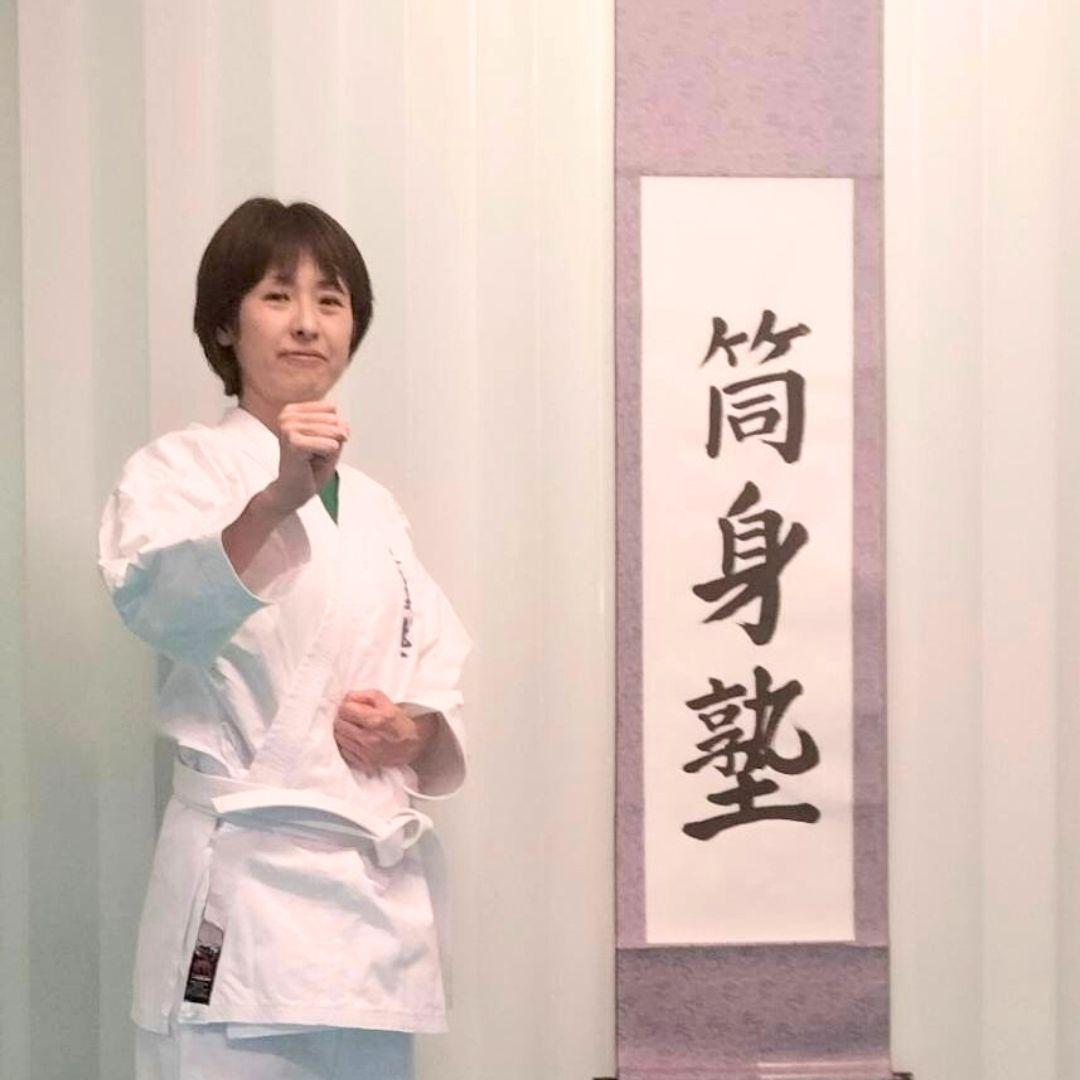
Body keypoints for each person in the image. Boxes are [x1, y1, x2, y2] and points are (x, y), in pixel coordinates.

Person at [97, 197, 472, 1079]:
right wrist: (274, 502)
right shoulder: (180, 469)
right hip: (242, 914)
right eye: (277, 296)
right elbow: (160, 608)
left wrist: (412, 732)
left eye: (330, 301)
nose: (307, 323)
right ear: (227, 325)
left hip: (368, 927)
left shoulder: (376, 509)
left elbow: (436, 668)